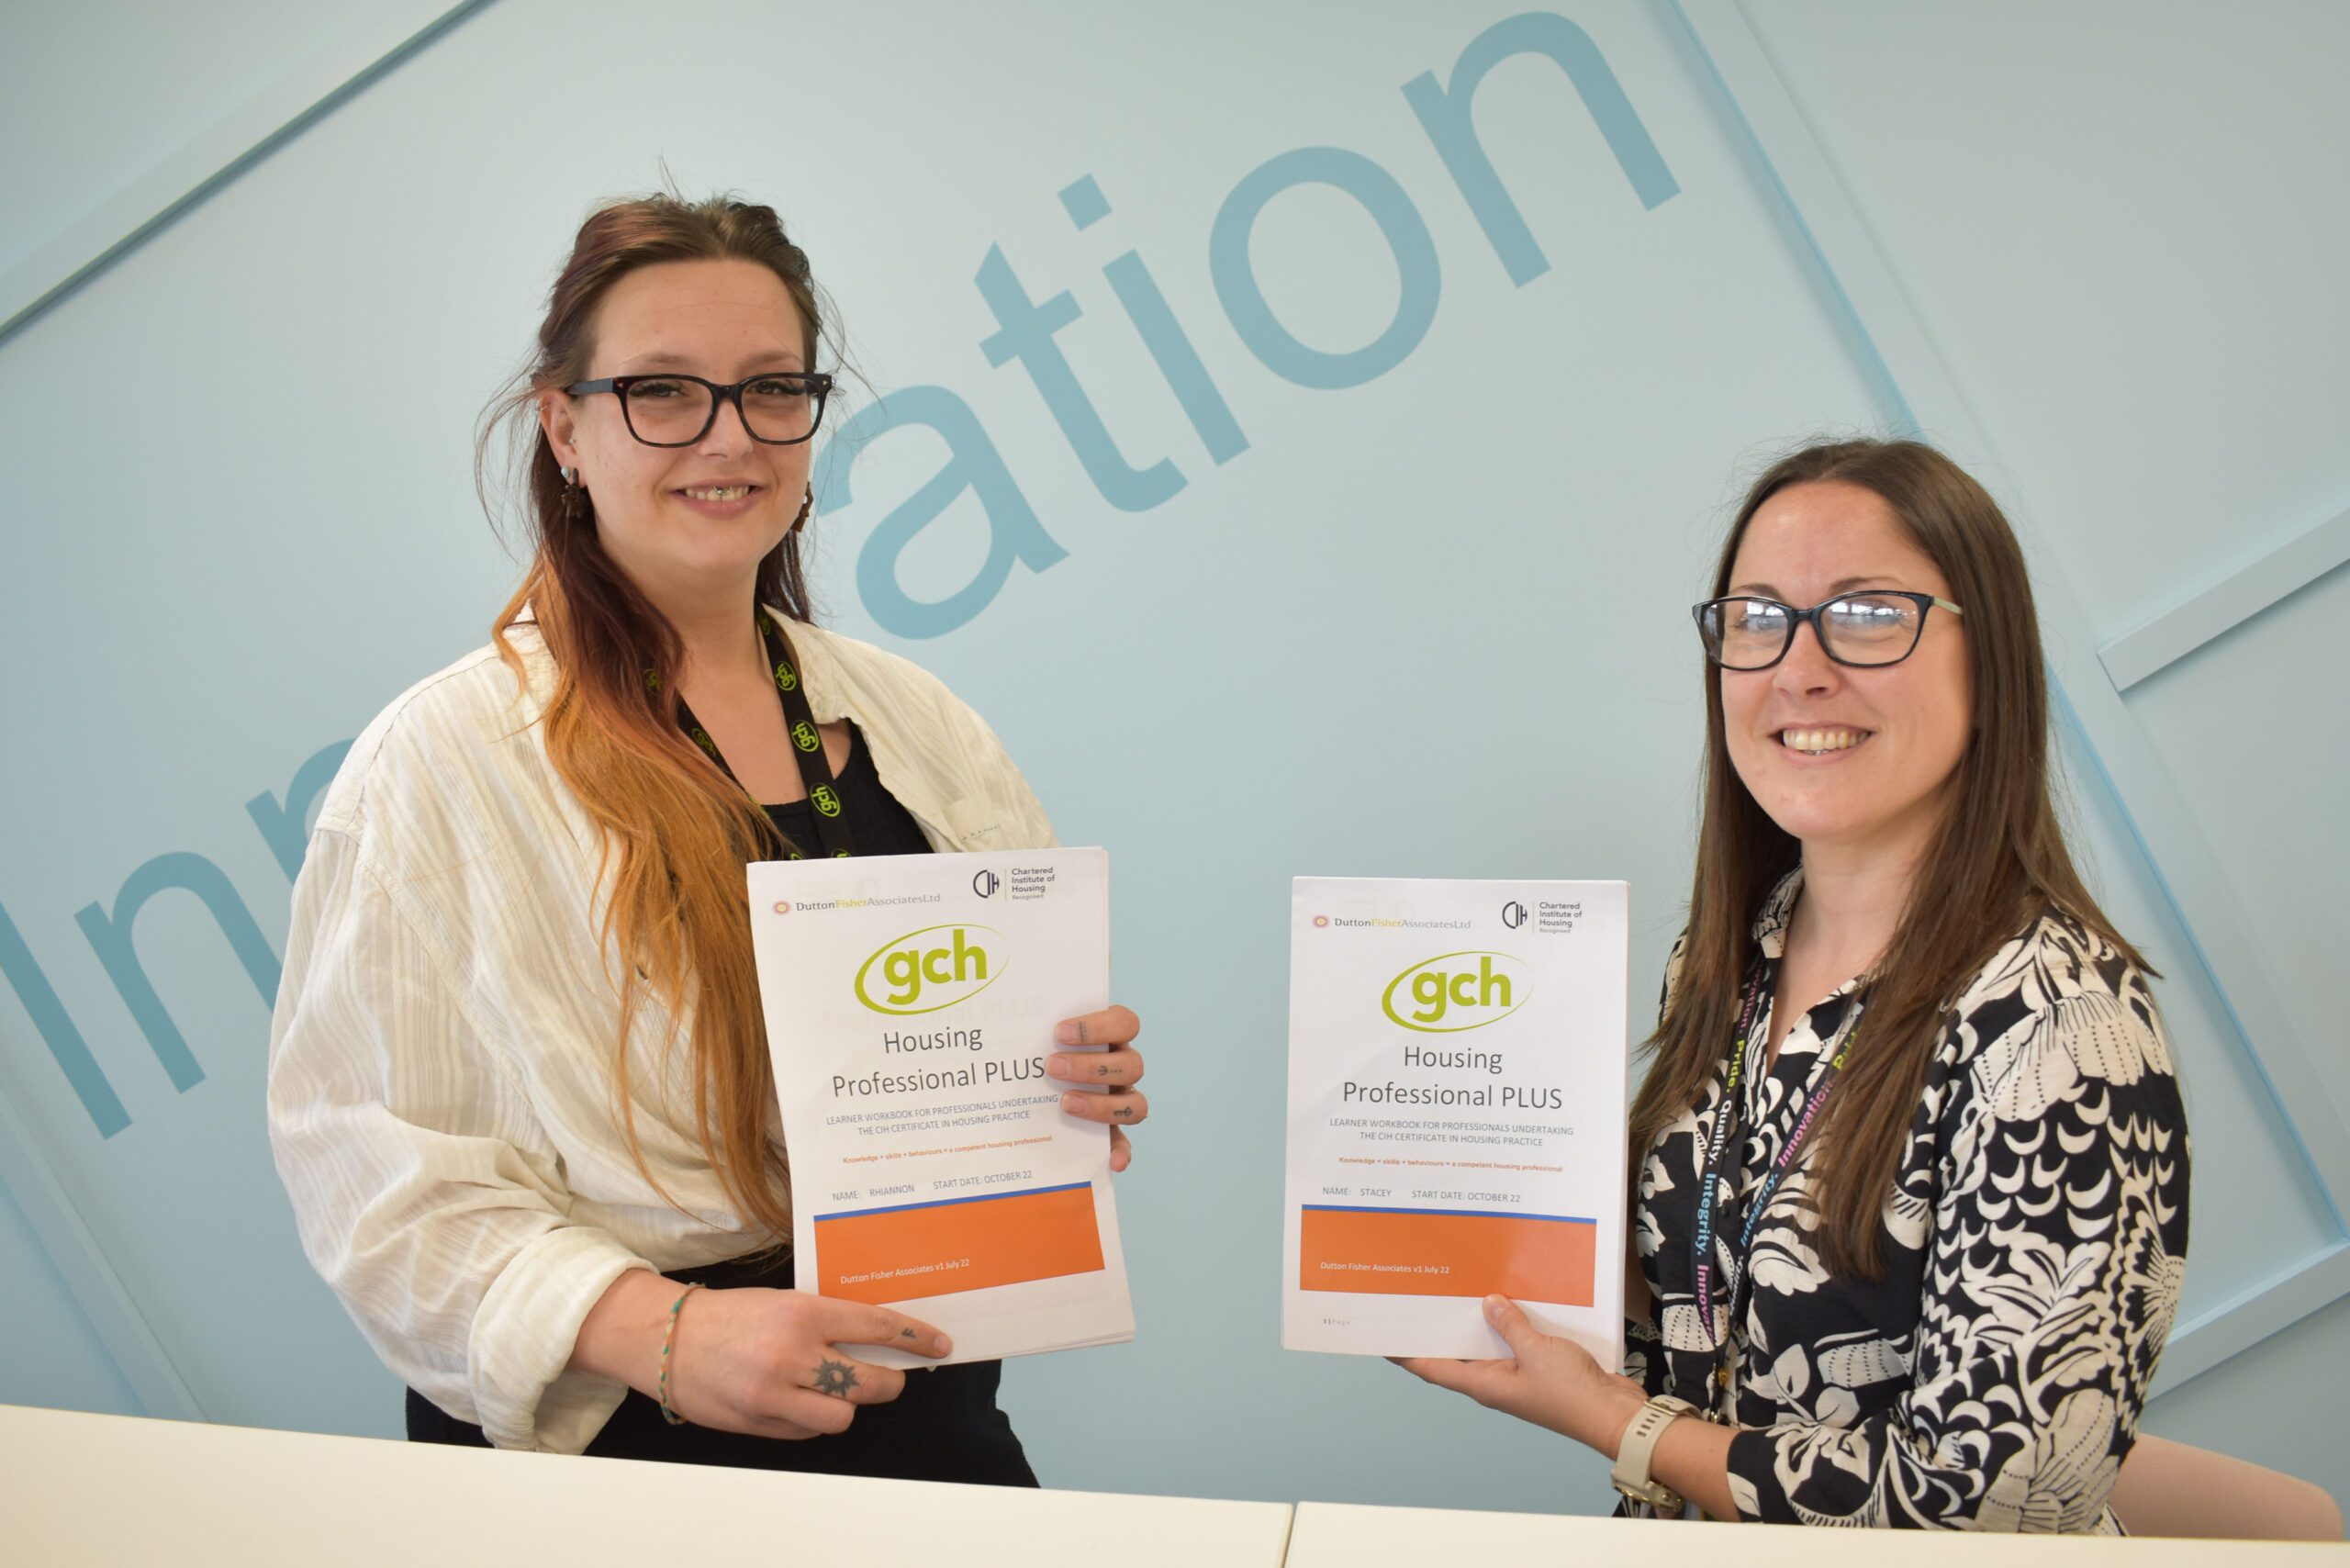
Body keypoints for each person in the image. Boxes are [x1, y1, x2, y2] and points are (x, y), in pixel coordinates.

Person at [266, 194, 1148, 1483]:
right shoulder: (440, 766)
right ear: (564, 426)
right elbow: (372, 1178)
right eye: (663, 393)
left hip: (918, 1397)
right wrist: (664, 1332)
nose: (728, 438)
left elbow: (992, 1056)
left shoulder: (925, 728)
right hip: (628, 1444)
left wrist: (1067, 1090)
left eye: (769, 390)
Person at [1400, 438, 2188, 1530]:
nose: (1798, 670)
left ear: (1987, 655)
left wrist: (1620, 1426)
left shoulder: (2062, 1030)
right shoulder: (1732, 960)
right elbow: (1718, 1312)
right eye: (1757, 619)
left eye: (1867, 616)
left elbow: (1985, 1510)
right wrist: (1459, 1234)